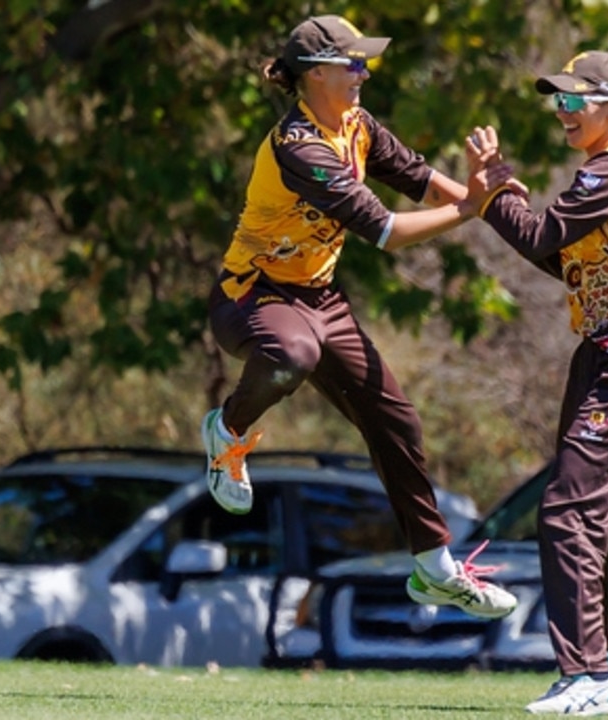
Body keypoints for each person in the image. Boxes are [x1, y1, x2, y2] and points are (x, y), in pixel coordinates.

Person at [199, 14, 516, 620]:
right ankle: (229, 431)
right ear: (315, 73)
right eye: (352, 63)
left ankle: (433, 568)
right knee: (292, 356)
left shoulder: (356, 125)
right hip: (253, 298)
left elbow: (420, 182)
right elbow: (387, 230)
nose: (363, 72)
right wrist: (473, 209)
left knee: (396, 421)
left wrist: (489, 199)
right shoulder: (301, 147)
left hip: (321, 300)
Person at [466, 51, 608, 715]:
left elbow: (538, 231)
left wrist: (496, 192)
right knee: (591, 506)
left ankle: (590, 676)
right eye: (558, 102)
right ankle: (604, 651)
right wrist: (494, 196)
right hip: (606, 350)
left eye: (573, 101)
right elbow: (554, 255)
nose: (562, 112)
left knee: (568, 509)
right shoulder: (604, 168)